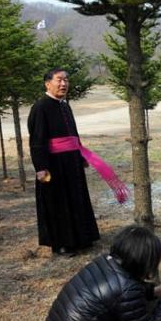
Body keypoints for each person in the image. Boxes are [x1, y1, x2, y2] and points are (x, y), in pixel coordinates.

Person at [28, 68, 128, 257]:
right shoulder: (40, 107)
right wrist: (40, 167)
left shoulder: (65, 106)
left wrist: (81, 155)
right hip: (54, 164)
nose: (64, 84)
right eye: (59, 80)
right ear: (47, 83)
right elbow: (37, 140)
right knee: (59, 202)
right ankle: (62, 244)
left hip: (72, 161)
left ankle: (82, 238)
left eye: (66, 80)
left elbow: (73, 135)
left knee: (76, 198)